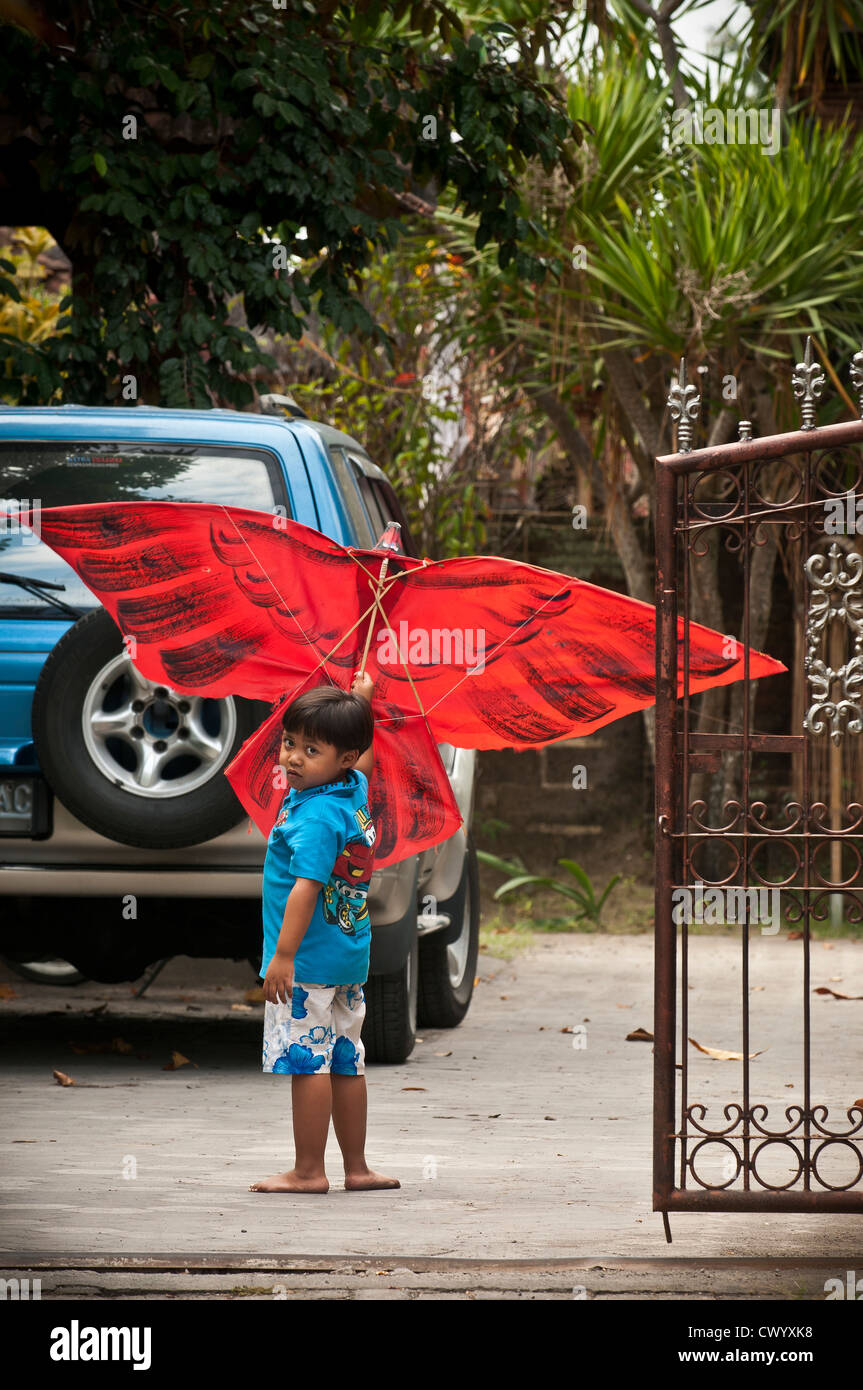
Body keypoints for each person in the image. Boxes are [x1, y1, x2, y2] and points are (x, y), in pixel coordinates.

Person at [249, 670, 400, 1195]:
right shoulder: (351, 789)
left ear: (338, 759)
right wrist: (361, 701)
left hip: (307, 961)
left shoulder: (314, 818)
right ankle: (357, 1168)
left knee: (306, 1063)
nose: (292, 757)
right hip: (347, 957)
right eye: (290, 742)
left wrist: (283, 956)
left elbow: (305, 889)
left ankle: (309, 1171)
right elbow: (364, 756)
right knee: (345, 1060)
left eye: (309, 750)